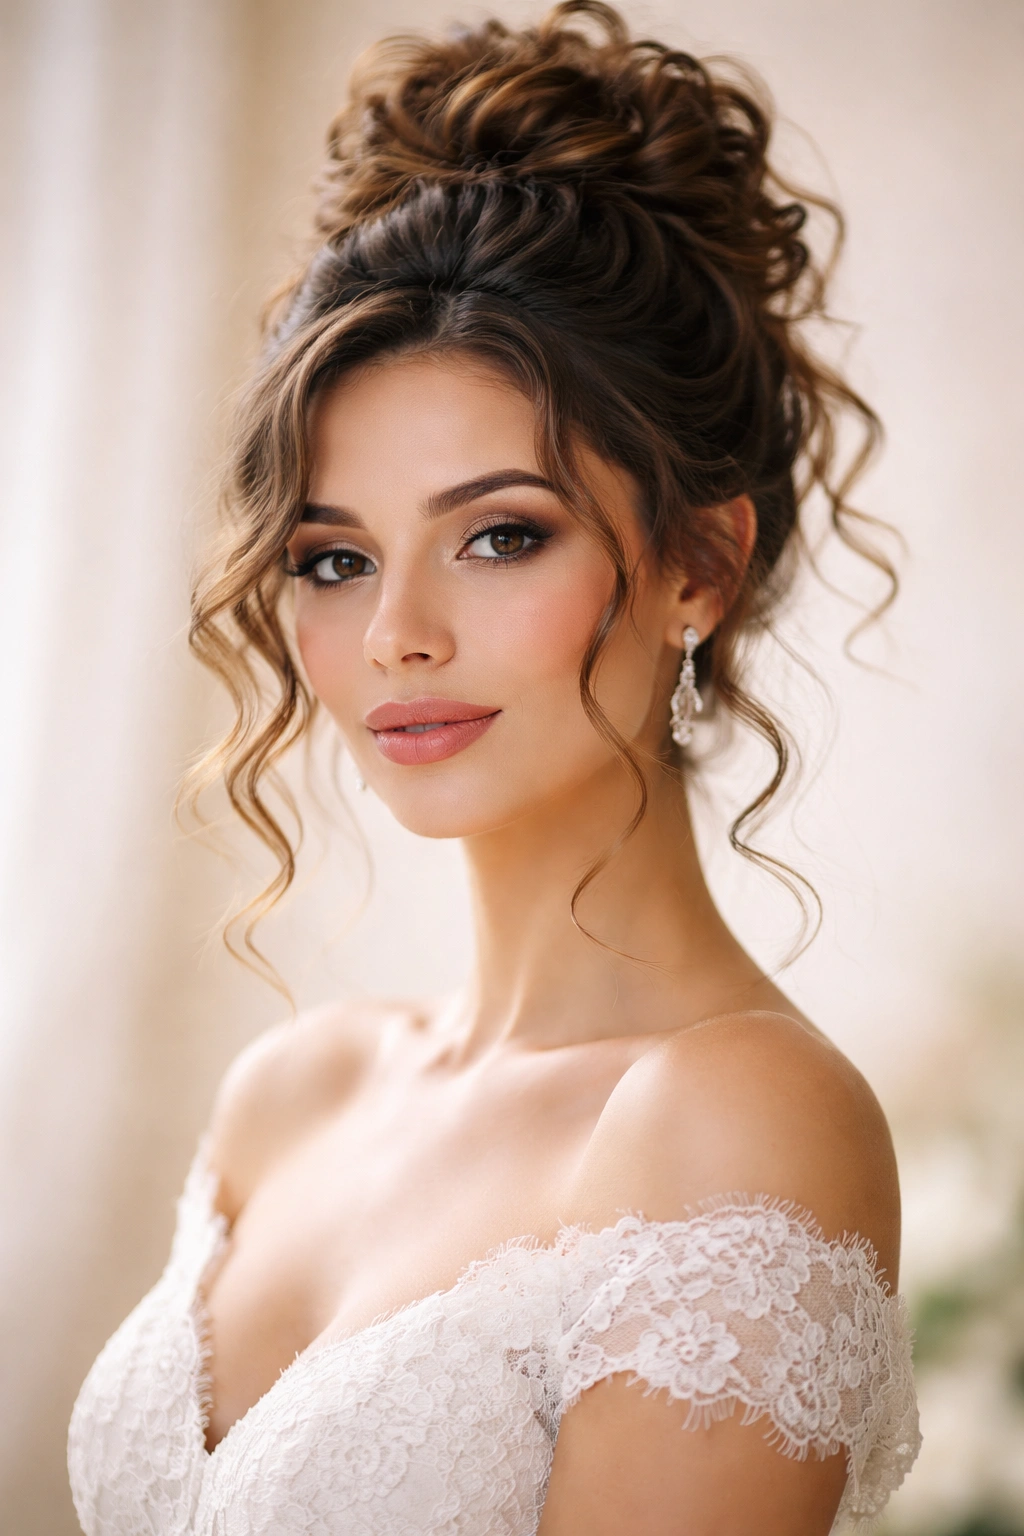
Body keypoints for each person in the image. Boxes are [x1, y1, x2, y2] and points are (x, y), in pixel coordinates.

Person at [68, 4, 921, 1531]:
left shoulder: (732, 1120)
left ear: (698, 567)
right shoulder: (293, 1089)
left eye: (500, 536)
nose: (395, 632)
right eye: (333, 558)